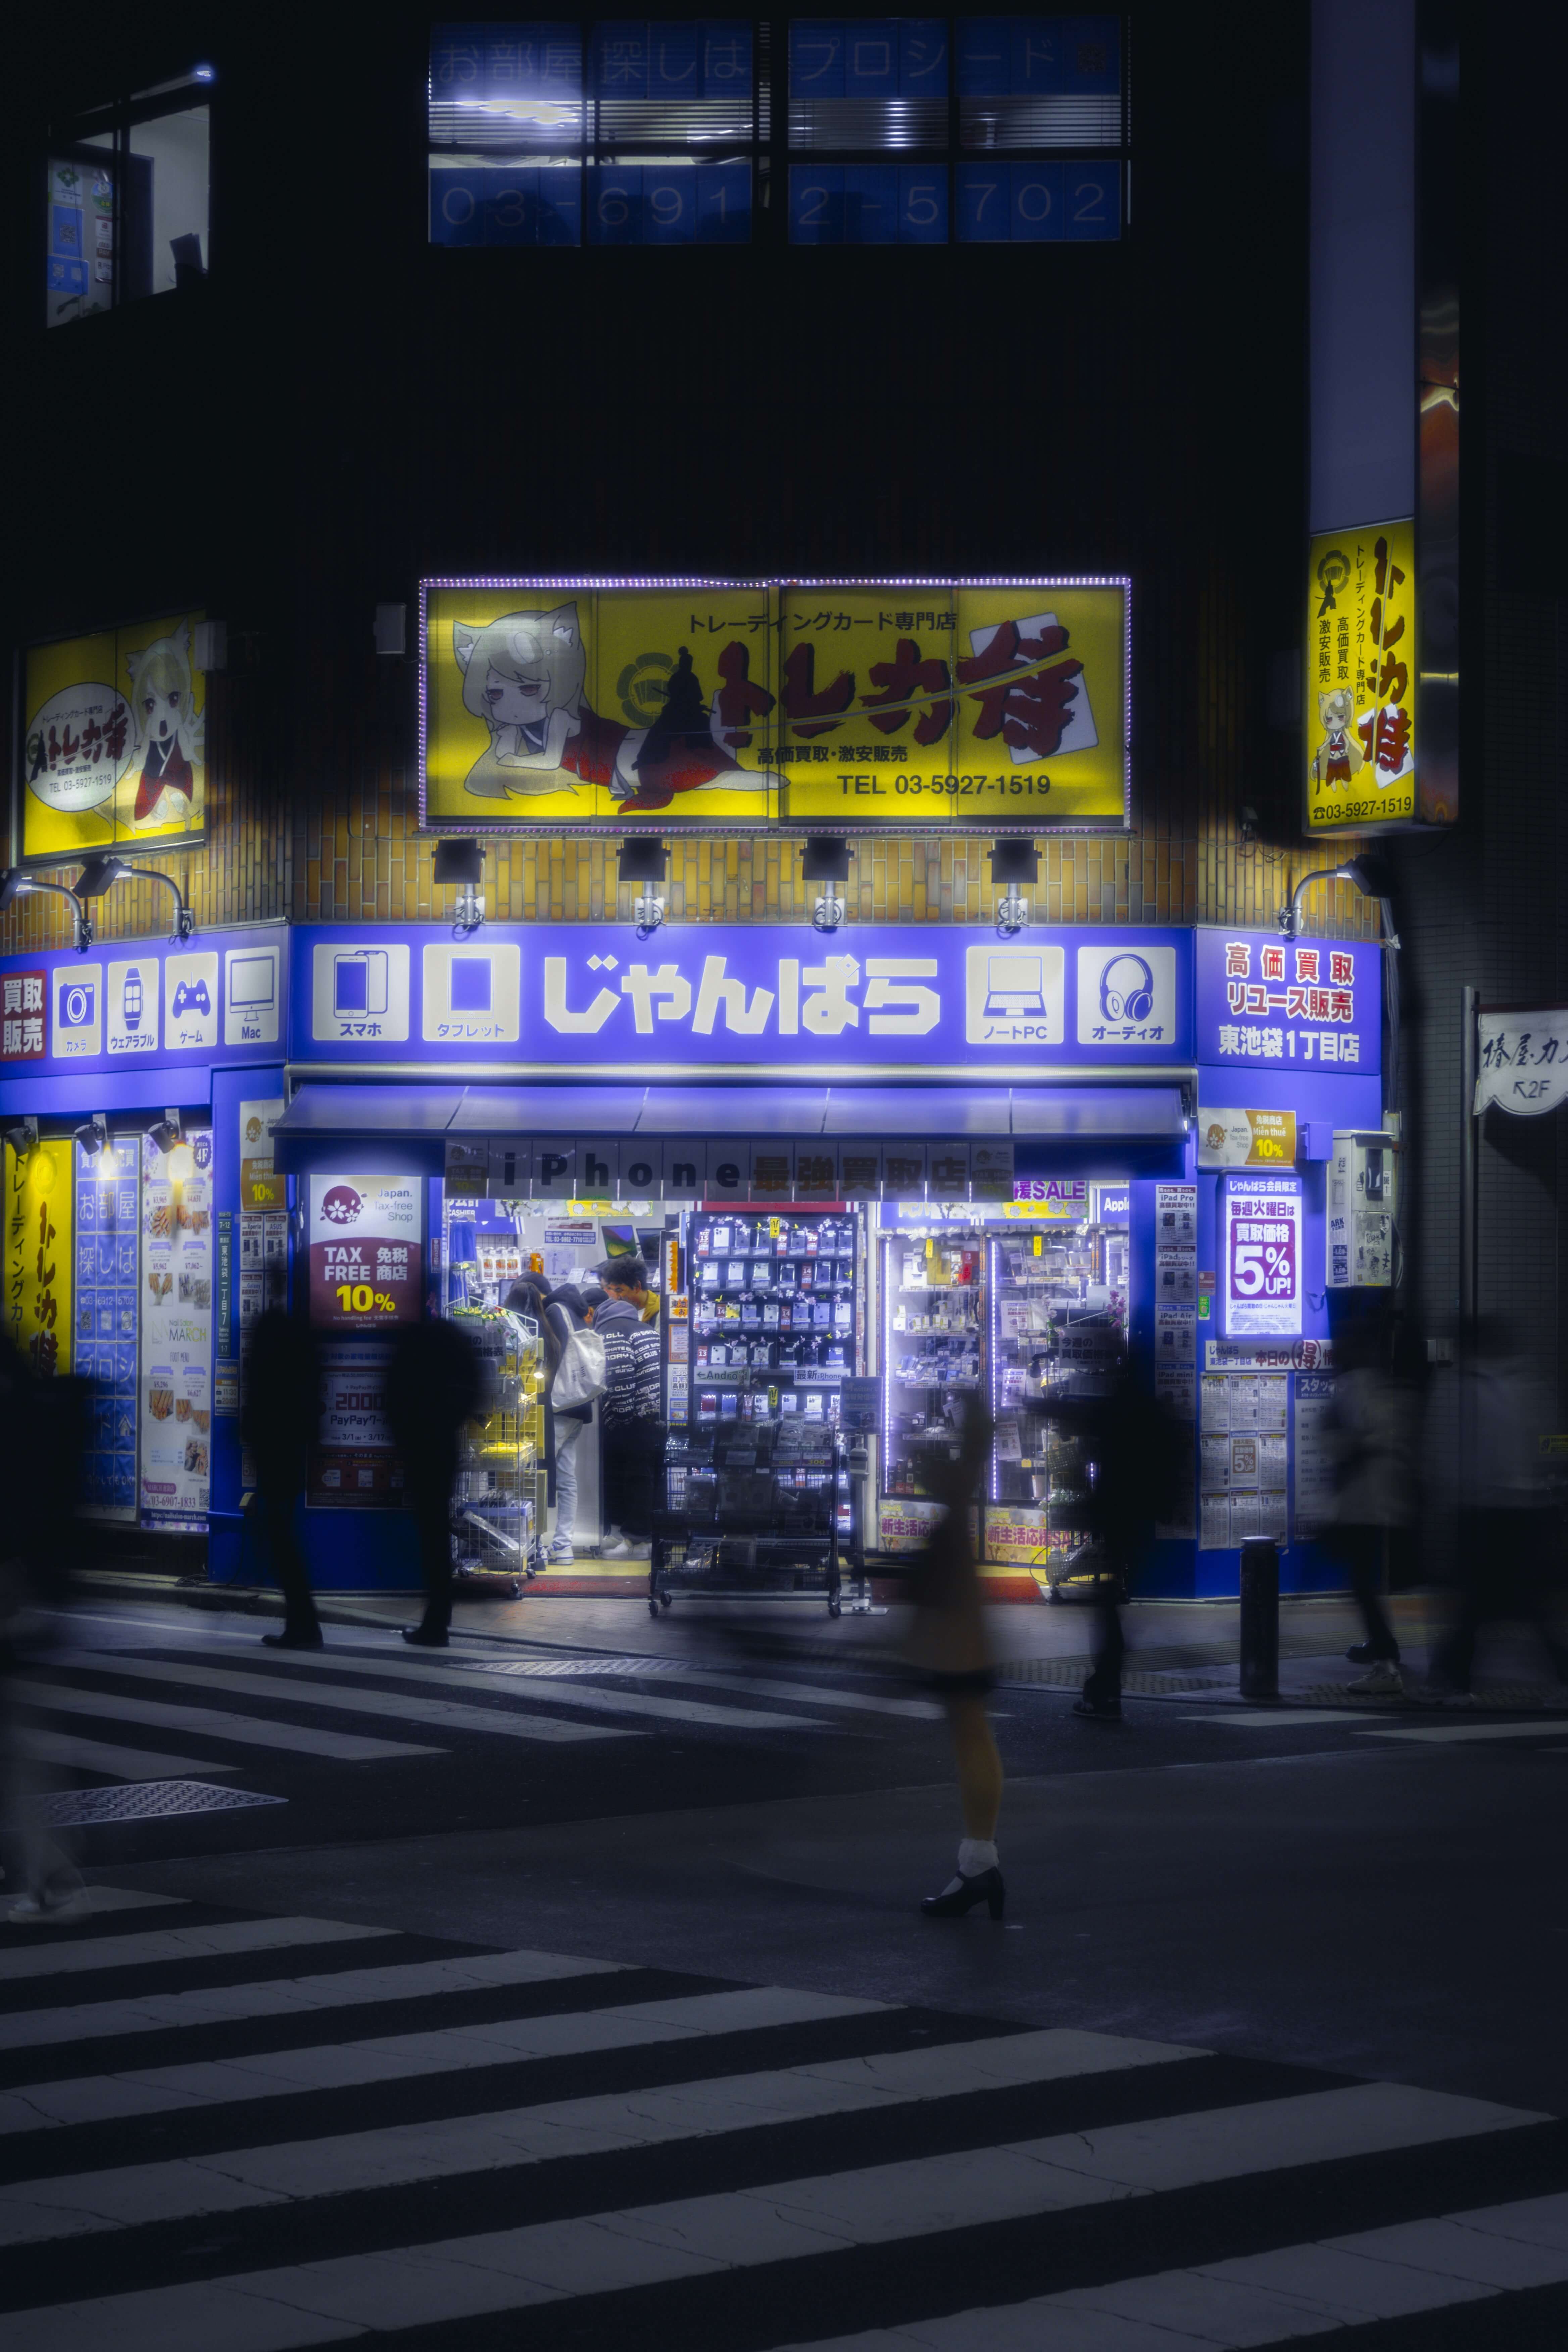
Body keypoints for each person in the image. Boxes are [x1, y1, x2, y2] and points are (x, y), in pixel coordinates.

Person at [1422, 1317, 1568, 1704]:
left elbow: (1442, 1452)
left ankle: (1449, 1681)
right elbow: (1550, 1442)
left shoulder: (1460, 1387)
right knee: (1525, 1605)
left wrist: (1443, 1500)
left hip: (1483, 1513)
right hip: (1526, 1510)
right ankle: (1451, 1678)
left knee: (1474, 1604)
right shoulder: (1527, 1382)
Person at [905, 1394, 1006, 1920]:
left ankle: (979, 1864)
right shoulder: (954, 1520)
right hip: (964, 1649)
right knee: (973, 1739)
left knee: (971, 1742)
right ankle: (978, 1862)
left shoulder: (952, 1522)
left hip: (959, 1654)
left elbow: (929, 1597)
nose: (924, 1471)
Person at [1045, 1352, 1187, 1722]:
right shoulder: (1151, 1409)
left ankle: (1105, 1690)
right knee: (1109, 1603)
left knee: (1107, 1608)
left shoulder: (1124, 1408)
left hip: (1120, 1514)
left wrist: (1045, 1406)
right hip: (1137, 1516)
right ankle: (1106, 1684)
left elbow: (1090, 1426)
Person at [1323, 1310, 1418, 1694]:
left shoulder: (1353, 1387)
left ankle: (1385, 1663)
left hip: (1364, 1500)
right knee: (1364, 1581)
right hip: (1384, 1499)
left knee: (1361, 1583)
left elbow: (1352, 1445)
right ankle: (1384, 1649)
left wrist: (1335, 1491)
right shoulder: (1383, 1387)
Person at [386, 1314, 484, 1647]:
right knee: (435, 1533)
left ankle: (436, 1623)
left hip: (421, 1446)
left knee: (431, 1535)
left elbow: (394, 1394)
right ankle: (437, 1619)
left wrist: (404, 1434)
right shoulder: (448, 1336)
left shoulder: (414, 1340)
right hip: (443, 1443)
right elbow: (473, 1384)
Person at [242, 1265, 324, 1648]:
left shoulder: (270, 1328)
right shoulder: (300, 1332)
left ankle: (303, 1625)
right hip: (293, 1444)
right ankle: (303, 1623)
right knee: (284, 1533)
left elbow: (258, 1388)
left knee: (282, 1538)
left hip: (274, 1444)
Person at [590, 1257, 663, 1560]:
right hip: (657, 1416)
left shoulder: (613, 1332)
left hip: (635, 1420)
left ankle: (637, 1542)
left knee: (634, 1478)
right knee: (647, 1476)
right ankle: (638, 1537)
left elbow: (620, 1381)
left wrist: (615, 1425)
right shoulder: (645, 1329)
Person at [542, 1283, 595, 1565]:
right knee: (567, 1479)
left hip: (560, 1405)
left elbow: (556, 1355)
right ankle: (563, 1546)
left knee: (537, 1470)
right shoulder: (577, 1311)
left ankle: (533, 1543)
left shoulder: (553, 1310)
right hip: (579, 1404)